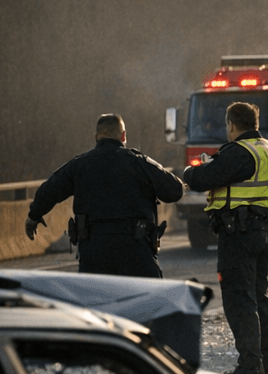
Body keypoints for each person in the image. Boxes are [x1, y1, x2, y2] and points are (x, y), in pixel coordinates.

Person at [183, 101, 268, 374]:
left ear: (231, 124)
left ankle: (251, 368)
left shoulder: (239, 152)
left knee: (239, 301)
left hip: (239, 234)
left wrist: (189, 172)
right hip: (267, 235)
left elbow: (203, 178)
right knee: (260, 300)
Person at [25, 114, 185, 277]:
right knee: (150, 299)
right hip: (136, 252)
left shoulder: (79, 165)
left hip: (94, 254)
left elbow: (49, 189)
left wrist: (34, 215)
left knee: (94, 300)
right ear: (123, 136)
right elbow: (175, 190)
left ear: (96, 137)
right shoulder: (139, 163)